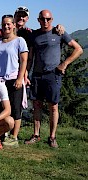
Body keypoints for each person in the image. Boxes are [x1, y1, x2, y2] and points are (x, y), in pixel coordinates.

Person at [25, 10, 82, 148]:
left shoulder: (59, 33)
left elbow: (78, 49)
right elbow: (31, 57)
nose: (46, 22)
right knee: (37, 105)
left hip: (53, 74)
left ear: (52, 19)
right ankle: (36, 135)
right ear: (38, 20)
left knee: (53, 106)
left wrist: (65, 64)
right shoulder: (35, 35)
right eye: (43, 19)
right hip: (37, 74)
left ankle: (52, 137)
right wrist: (26, 73)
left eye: (48, 19)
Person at [0, 15, 28, 147]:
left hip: (13, 79)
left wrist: (20, 78)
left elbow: (24, 60)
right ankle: (4, 133)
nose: (6, 27)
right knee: (3, 108)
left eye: (9, 24)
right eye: (4, 24)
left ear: (13, 25)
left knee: (15, 109)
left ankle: (14, 136)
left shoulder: (19, 41)